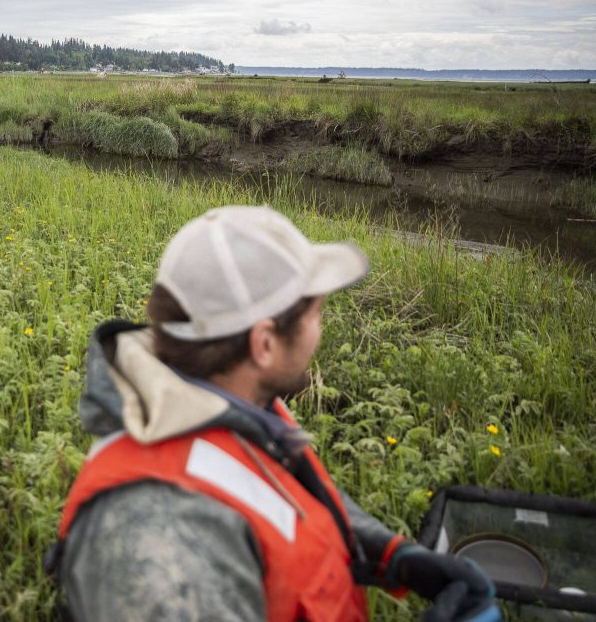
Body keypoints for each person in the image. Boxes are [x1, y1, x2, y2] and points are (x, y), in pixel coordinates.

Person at [48, 206, 500, 621]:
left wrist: (393, 554)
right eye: (316, 315)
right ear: (263, 344)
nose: (320, 333)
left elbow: (273, 497)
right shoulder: (157, 540)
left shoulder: (228, 403)